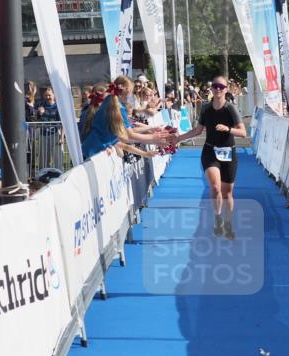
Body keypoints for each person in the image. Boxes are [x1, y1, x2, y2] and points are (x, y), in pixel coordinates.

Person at [174, 74, 247, 239]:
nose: (218, 89)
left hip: (229, 152)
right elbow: (197, 131)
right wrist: (178, 138)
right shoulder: (206, 108)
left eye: (221, 87)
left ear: (226, 89)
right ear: (211, 88)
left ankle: (228, 223)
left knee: (227, 193)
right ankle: (217, 218)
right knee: (215, 187)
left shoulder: (230, 108)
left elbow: (243, 132)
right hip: (210, 151)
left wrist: (228, 129)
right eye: (215, 86)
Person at [80, 76, 169, 159]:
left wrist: (151, 136)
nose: (131, 95)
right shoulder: (119, 108)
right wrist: (152, 138)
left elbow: (126, 134)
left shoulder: (109, 101)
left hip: (90, 149)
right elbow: (129, 135)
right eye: (131, 92)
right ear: (126, 91)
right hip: (94, 152)